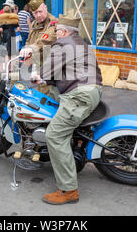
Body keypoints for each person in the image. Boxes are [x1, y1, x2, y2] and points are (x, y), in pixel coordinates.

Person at [31, 15, 103, 205]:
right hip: (87, 90)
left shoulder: (63, 44)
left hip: (79, 94)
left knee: (54, 136)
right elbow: (62, 73)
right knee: (47, 97)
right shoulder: (79, 43)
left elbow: (46, 70)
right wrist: (44, 80)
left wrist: (35, 74)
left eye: (56, 31)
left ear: (62, 32)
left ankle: (69, 190)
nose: (55, 34)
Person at [19, 0, 58, 96]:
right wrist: (26, 49)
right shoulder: (34, 24)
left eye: (40, 11)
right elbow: (29, 40)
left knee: (47, 94)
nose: (38, 15)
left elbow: (46, 39)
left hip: (50, 64)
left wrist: (31, 48)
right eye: (35, 13)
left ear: (46, 8)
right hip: (38, 63)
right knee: (40, 91)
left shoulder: (53, 23)